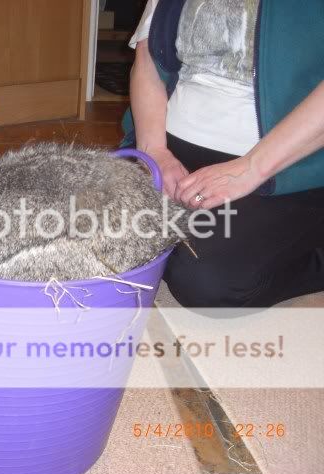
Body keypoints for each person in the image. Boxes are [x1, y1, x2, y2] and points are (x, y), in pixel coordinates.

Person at [123, 0, 324, 308]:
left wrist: (250, 169)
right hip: (168, 140)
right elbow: (148, 60)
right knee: (76, 227)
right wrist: (155, 153)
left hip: (289, 161)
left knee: (205, 279)